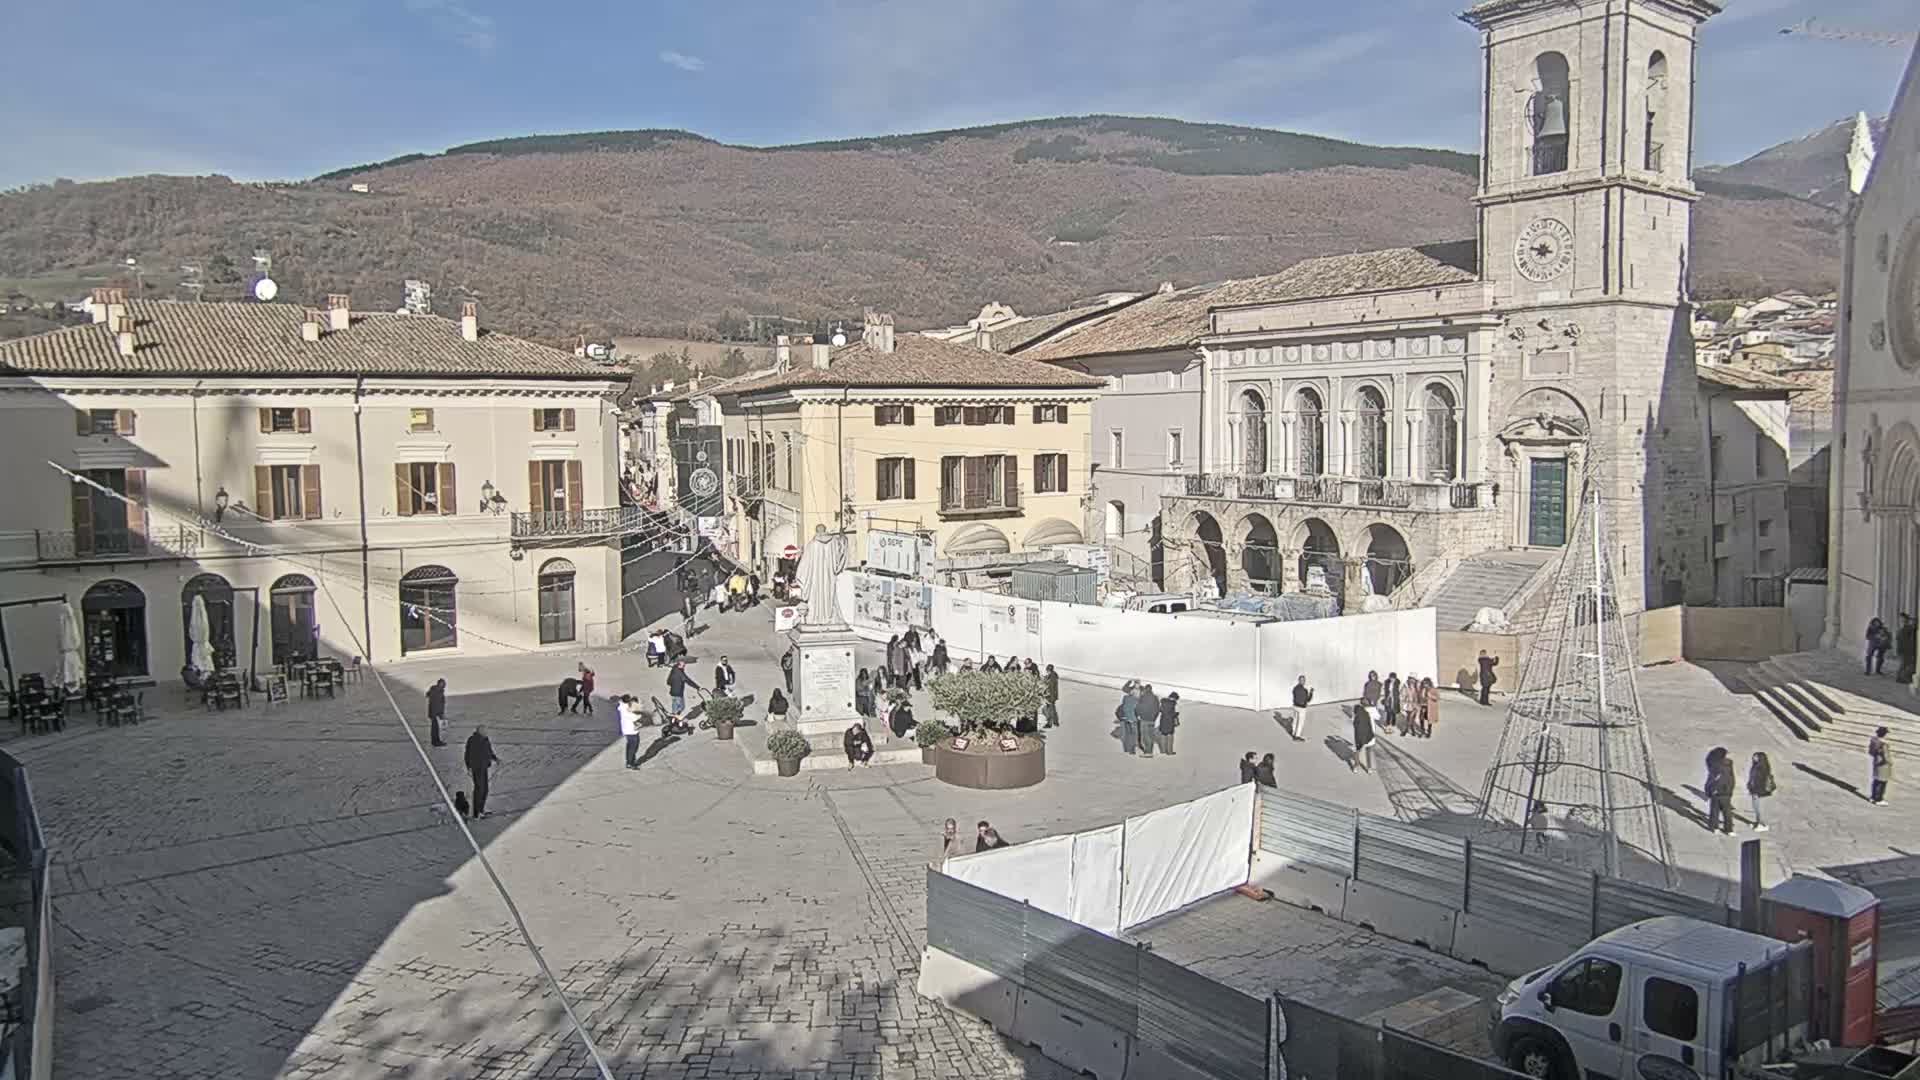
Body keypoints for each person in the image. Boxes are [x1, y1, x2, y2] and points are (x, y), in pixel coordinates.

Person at [465, 724, 498, 818]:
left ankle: (481, 810)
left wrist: (495, 758)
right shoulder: (473, 740)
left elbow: (489, 751)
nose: (486, 733)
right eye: (484, 731)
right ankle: (476, 813)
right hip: (477, 768)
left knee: (485, 790)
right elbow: (468, 754)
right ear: (479, 731)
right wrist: (469, 767)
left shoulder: (486, 740)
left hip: (484, 767)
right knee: (479, 790)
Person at [1704, 746, 1735, 834]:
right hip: (1726, 792)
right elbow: (1732, 779)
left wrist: (1708, 791)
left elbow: (1711, 780)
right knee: (1727, 812)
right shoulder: (1729, 764)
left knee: (1714, 810)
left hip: (1716, 792)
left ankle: (1714, 827)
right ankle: (1729, 829)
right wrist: (1730, 790)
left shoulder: (1714, 765)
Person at [1746, 751, 1775, 832]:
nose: (1753, 758)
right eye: (1753, 756)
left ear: (1760, 758)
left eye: (1755, 756)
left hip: (1758, 791)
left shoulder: (1762, 768)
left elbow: (1759, 782)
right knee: (1755, 807)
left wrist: (1755, 792)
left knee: (1758, 808)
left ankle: (1762, 825)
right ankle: (1758, 822)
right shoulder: (1756, 765)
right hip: (1754, 790)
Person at [1136, 683, 1160, 758]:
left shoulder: (1143, 697)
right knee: (1151, 735)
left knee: (1145, 736)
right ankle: (1150, 751)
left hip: (1144, 719)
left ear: (1145, 689)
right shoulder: (1155, 698)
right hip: (1152, 720)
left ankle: (1148, 752)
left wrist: (1139, 715)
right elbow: (1157, 709)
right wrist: (1154, 718)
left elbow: (1138, 707)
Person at [618, 694, 642, 770]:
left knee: (630, 746)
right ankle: (630, 762)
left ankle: (631, 760)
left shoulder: (623, 707)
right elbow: (633, 717)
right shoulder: (625, 709)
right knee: (634, 746)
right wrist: (640, 715)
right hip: (631, 730)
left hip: (628, 730)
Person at [1286, 675, 1313, 742]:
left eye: (1303, 680)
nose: (1303, 681)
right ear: (1302, 681)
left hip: (1295, 706)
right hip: (1302, 708)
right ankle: (1297, 736)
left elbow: (1295, 696)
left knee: (1295, 720)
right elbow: (1308, 700)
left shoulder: (1295, 688)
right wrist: (1311, 693)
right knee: (1300, 722)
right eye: (1303, 680)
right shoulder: (1305, 690)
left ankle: (1293, 732)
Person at [1870, 726, 1893, 805]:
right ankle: (1879, 799)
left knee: (1876, 781)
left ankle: (1873, 797)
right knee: (1882, 782)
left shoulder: (1873, 741)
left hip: (1876, 761)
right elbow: (1886, 756)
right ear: (1884, 734)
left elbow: (1871, 752)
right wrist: (1890, 762)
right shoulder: (1883, 744)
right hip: (1883, 764)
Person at [1116, 681, 1140, 755]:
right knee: (1133, 735)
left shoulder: (1125, 699)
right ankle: (1132, 749)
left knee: (1126, 735)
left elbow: (1122, 708)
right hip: (1133, 719)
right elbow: (1138, 710)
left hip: (1126, 719)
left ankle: (1127, 748)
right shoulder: (1137, 701)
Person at [1351, 703, 1375, 773]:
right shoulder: (1367, 714)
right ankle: (1369, 768)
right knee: (1368, 752)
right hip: (1368, 737)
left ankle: (1356, 767)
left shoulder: (1356, 717)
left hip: (1359, 738)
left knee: (1357, 752)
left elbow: (1355, 726)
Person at [426, 678, 448, 747]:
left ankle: (436, 741)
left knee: (436, 728)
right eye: (443, 684)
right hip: (435, 713)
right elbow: (436, 704)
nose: (444, 685)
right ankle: (436, 742)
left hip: (435, 713)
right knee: (435, 728)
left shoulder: (437, 690)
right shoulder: (437, 692)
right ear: (440, 684)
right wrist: (439, 714)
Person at [1898, 614, 1917, 684]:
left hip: (1909, 649)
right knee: (1905, 664)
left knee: (1906, 664)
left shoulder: (1908, 628)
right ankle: (1901, 678)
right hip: (1906, 649)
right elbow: (1903, 640)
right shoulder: (1907, 628)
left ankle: (1902, 677)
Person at [1042, 664, 1060, 728]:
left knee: (1048, 710)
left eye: (1047, 670)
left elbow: (1051, 688)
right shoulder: (1053, 675)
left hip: (1050, 696)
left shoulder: (1052, 677)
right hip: (1051, 696)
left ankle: (1049, 723)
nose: (1047, 671)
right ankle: (1056, 722)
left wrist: (1051, 698)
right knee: (1052, 709)